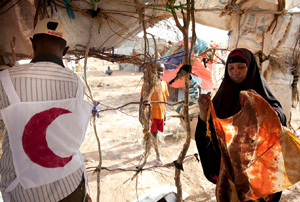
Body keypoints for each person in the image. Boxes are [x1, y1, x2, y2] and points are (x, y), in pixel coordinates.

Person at [0, 18, 91, 202]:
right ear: (65, 51)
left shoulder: (6, 79)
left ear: (32, 43)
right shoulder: (76, 83)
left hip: (24, 192)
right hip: (71, 184)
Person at [195, 48, 286, 202]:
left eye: (240, 67)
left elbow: (279, 116)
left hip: (257, 170)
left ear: (249, 68)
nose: (235, 72)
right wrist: (203, 115)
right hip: (230, 171)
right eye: (231, 68)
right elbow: (208, 132)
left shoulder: (261, 94)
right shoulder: (222, 98)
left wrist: (270, 115)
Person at [140, 63, 169, 165]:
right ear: (152, 71)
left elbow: (164, 99)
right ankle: (158, 155)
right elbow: (142, 101)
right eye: (157, 70)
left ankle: (149, 150)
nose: (160, 73)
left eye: (162, 70)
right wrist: (142, 116)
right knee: (154, 135)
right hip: (151, 116)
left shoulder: (164, 84)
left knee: (155, 135)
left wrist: (165, 114)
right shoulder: (147, 85)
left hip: (160, 115)